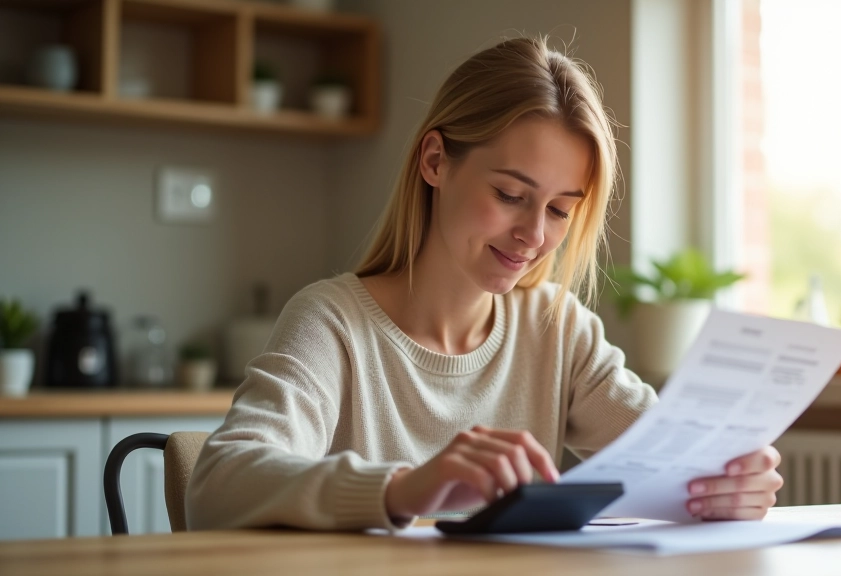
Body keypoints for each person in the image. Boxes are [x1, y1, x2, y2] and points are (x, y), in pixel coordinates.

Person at [186, 36, 783, 532]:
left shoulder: (557, 328)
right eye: (510, 195)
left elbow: (670, 458)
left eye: (559, 210)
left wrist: (726, 481)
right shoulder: (333, 322)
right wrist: (405, 488)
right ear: (435, 162)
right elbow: (218, 483)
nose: (532, 235)